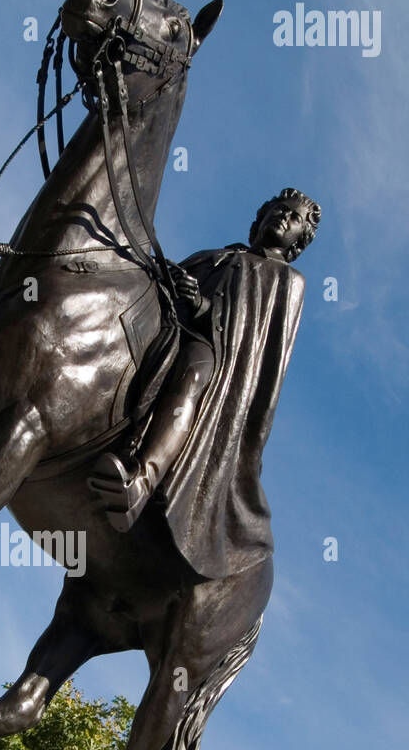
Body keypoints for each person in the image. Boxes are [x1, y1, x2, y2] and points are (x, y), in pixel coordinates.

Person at [88, 187, 320, 579]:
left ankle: (139, 483)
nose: (284, 216)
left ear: (299, 240)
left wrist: (200, 306)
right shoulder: (218, 255)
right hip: (168, 330)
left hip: (214, 355)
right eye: (279, 208)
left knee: (192, 373)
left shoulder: (286, 280)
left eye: (293, 217)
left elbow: (248, 337)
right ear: (261, 216)